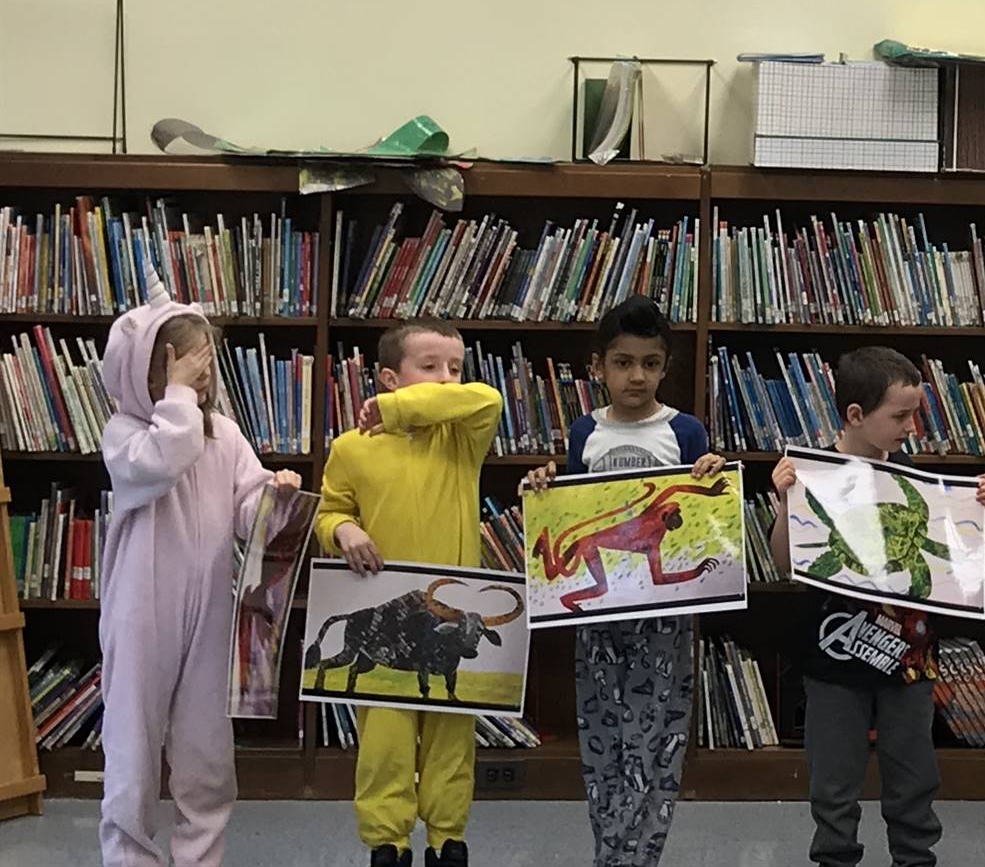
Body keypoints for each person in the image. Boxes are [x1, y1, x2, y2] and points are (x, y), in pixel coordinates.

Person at [97, 271, 303, 867]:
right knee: (133, 749)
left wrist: (275, 495)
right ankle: (130, 857)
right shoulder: (126, 433)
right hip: (142, 609)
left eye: (205, 366)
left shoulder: (226, 435)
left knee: (206, 750)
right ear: (147, 373)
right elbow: (161, 461)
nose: (201, 377)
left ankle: (200, 857)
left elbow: (248, 513)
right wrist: (179, 397)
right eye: (185, 366)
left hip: (211, 608)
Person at [519, 294, 727, 867]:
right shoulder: (585, 432)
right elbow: (575, 508)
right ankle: (609, 851)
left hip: (664, 616)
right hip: (600, 611)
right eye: (623, 362)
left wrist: (709, 473)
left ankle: (642, 855)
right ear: (598, 367)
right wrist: (547, 485)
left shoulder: (684, 431)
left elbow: (700, 512)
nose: (637, 376)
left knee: (657, 736)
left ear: (665, 367)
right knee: (604, 736)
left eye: (650, 363)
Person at [770, 346, 985, 867]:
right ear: (855, 415)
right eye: (899, 416)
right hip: (832, 658)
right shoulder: (811, 474)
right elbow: (787, 563)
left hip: (910, 660)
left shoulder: (917, 481)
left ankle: (915, 858)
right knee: (834, 778)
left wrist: (972, 511)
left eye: (914, 413)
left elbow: (954, 568)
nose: (911, 426)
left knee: (914, 773)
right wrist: (785, 506)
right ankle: (834, 858)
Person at [316, 321, 502, 867]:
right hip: (388, 618)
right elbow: (331, 512)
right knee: (385, 737)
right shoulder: (351, 449)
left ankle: (448, 838)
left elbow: (485, 398)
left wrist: (398, 410)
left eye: (455, 367)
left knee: (451, 729)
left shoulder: (463, 436)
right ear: (388, 378)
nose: (447, 380)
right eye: (430, 366)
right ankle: (386, 842)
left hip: (449, 614)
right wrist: (344, 531)